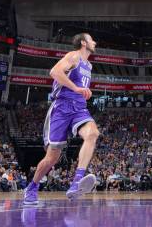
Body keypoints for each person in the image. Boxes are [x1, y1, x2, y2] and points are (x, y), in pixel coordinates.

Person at [24, 33, 100, 205]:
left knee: (92, 134)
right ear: (83, 42)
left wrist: (85, 91)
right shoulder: (74, 56)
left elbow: (81, 88)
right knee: (51, 159)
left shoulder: (89, 65)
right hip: (61, 108)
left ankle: (76, 181)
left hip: (79, 108)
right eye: (91, 39)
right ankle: (32, 186)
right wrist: (77, 88)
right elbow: (54, 72)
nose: (94, 41)